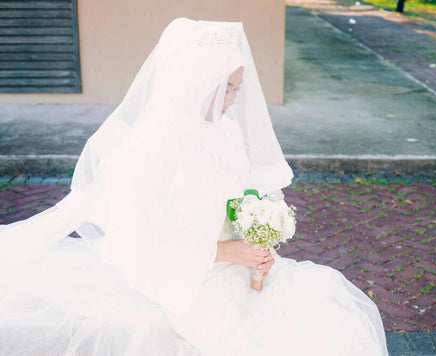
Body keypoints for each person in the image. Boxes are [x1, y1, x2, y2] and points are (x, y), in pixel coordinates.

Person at [0, 18, 389, 356]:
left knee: (323, 315)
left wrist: (257, 236)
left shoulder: (225, 128)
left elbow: (235, 196)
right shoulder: (151, 150)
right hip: (184, 281)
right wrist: (227, 252)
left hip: (232, 264)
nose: (235, 99)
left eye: (237, 88)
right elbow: (140, 241)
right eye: (229, 89)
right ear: (198, 85)